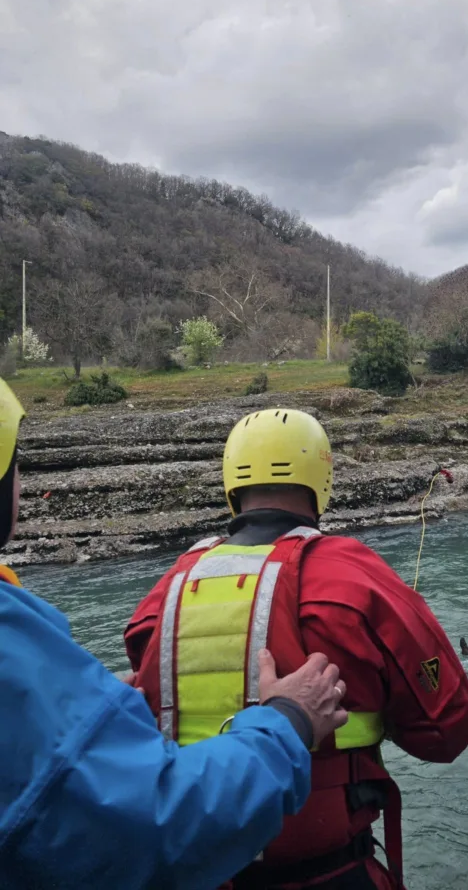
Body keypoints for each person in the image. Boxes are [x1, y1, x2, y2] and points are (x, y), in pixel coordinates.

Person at [0, 378, 349, 890]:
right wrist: (289, 720)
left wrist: (87, 721)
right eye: (16, 467)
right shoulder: (355, 571)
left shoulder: (167, 587)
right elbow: (152, 824)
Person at [125, 408, 468, 890]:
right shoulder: (354, 574)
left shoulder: (166, 590)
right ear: (322, 479)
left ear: (233, 485)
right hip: (330, 869)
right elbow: (446, 732)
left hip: (188, 871)